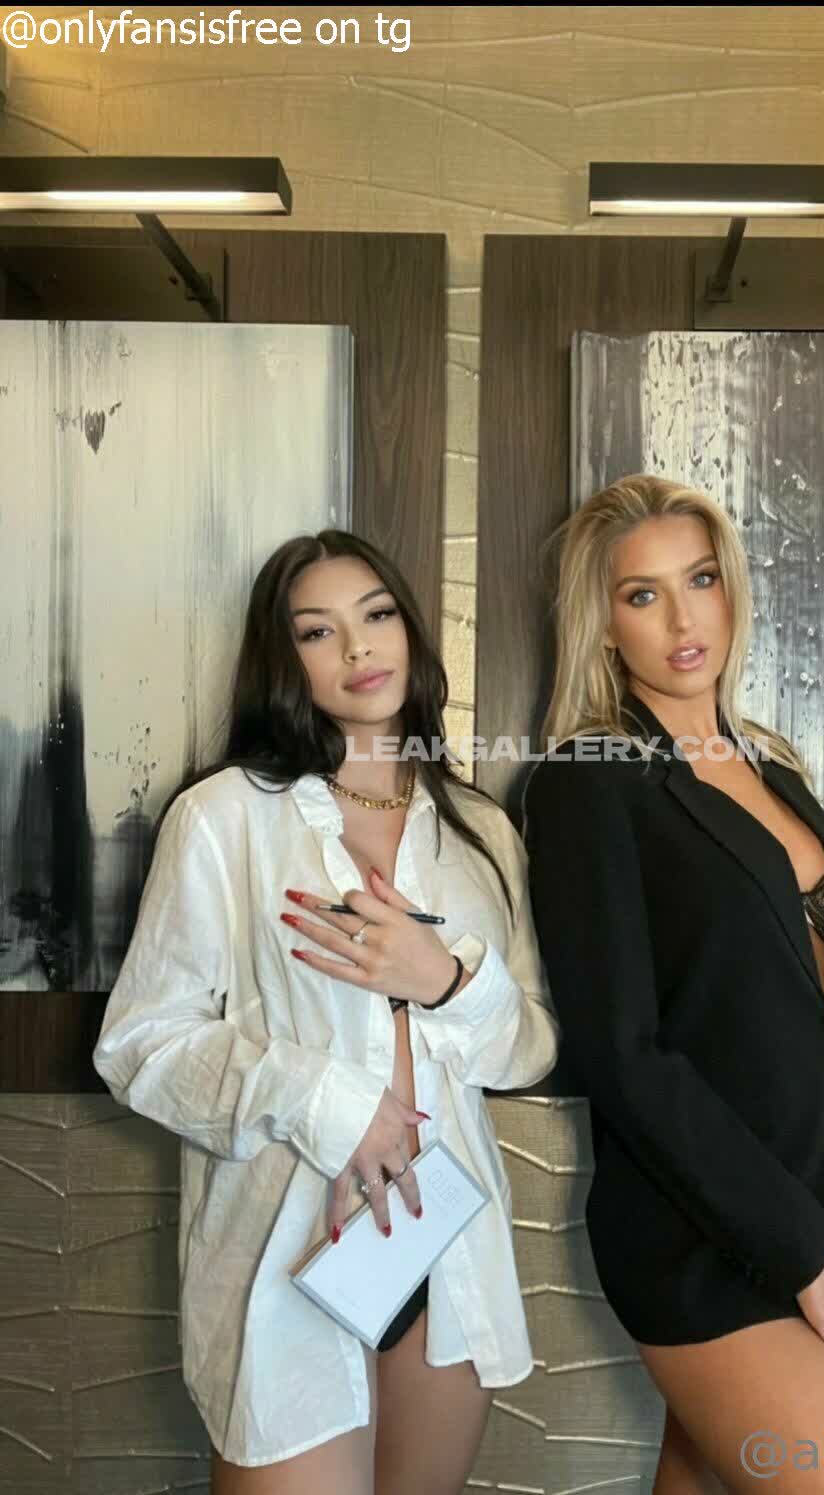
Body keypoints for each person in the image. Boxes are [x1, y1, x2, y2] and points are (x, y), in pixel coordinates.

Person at [93, 529, 559, 1492]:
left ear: (410, 629)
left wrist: (446, 980)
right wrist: (326, 1102)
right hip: (290, 1243)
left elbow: (530, 1047)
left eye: (376, 614)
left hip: (445, 1250)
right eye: (317, 630)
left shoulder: (481, 831)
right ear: (285, 659)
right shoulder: (225, 816)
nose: (357, 647)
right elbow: (141, 1041)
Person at [521, 474, 824, 1494]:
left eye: (699, 579)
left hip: (814, 1208)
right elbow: (623, 1055)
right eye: (643, 593)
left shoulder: (775, 770)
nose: (683, 618)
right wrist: (802, 1249)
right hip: (698, 1237)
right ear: (602, 622)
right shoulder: (588, 779)